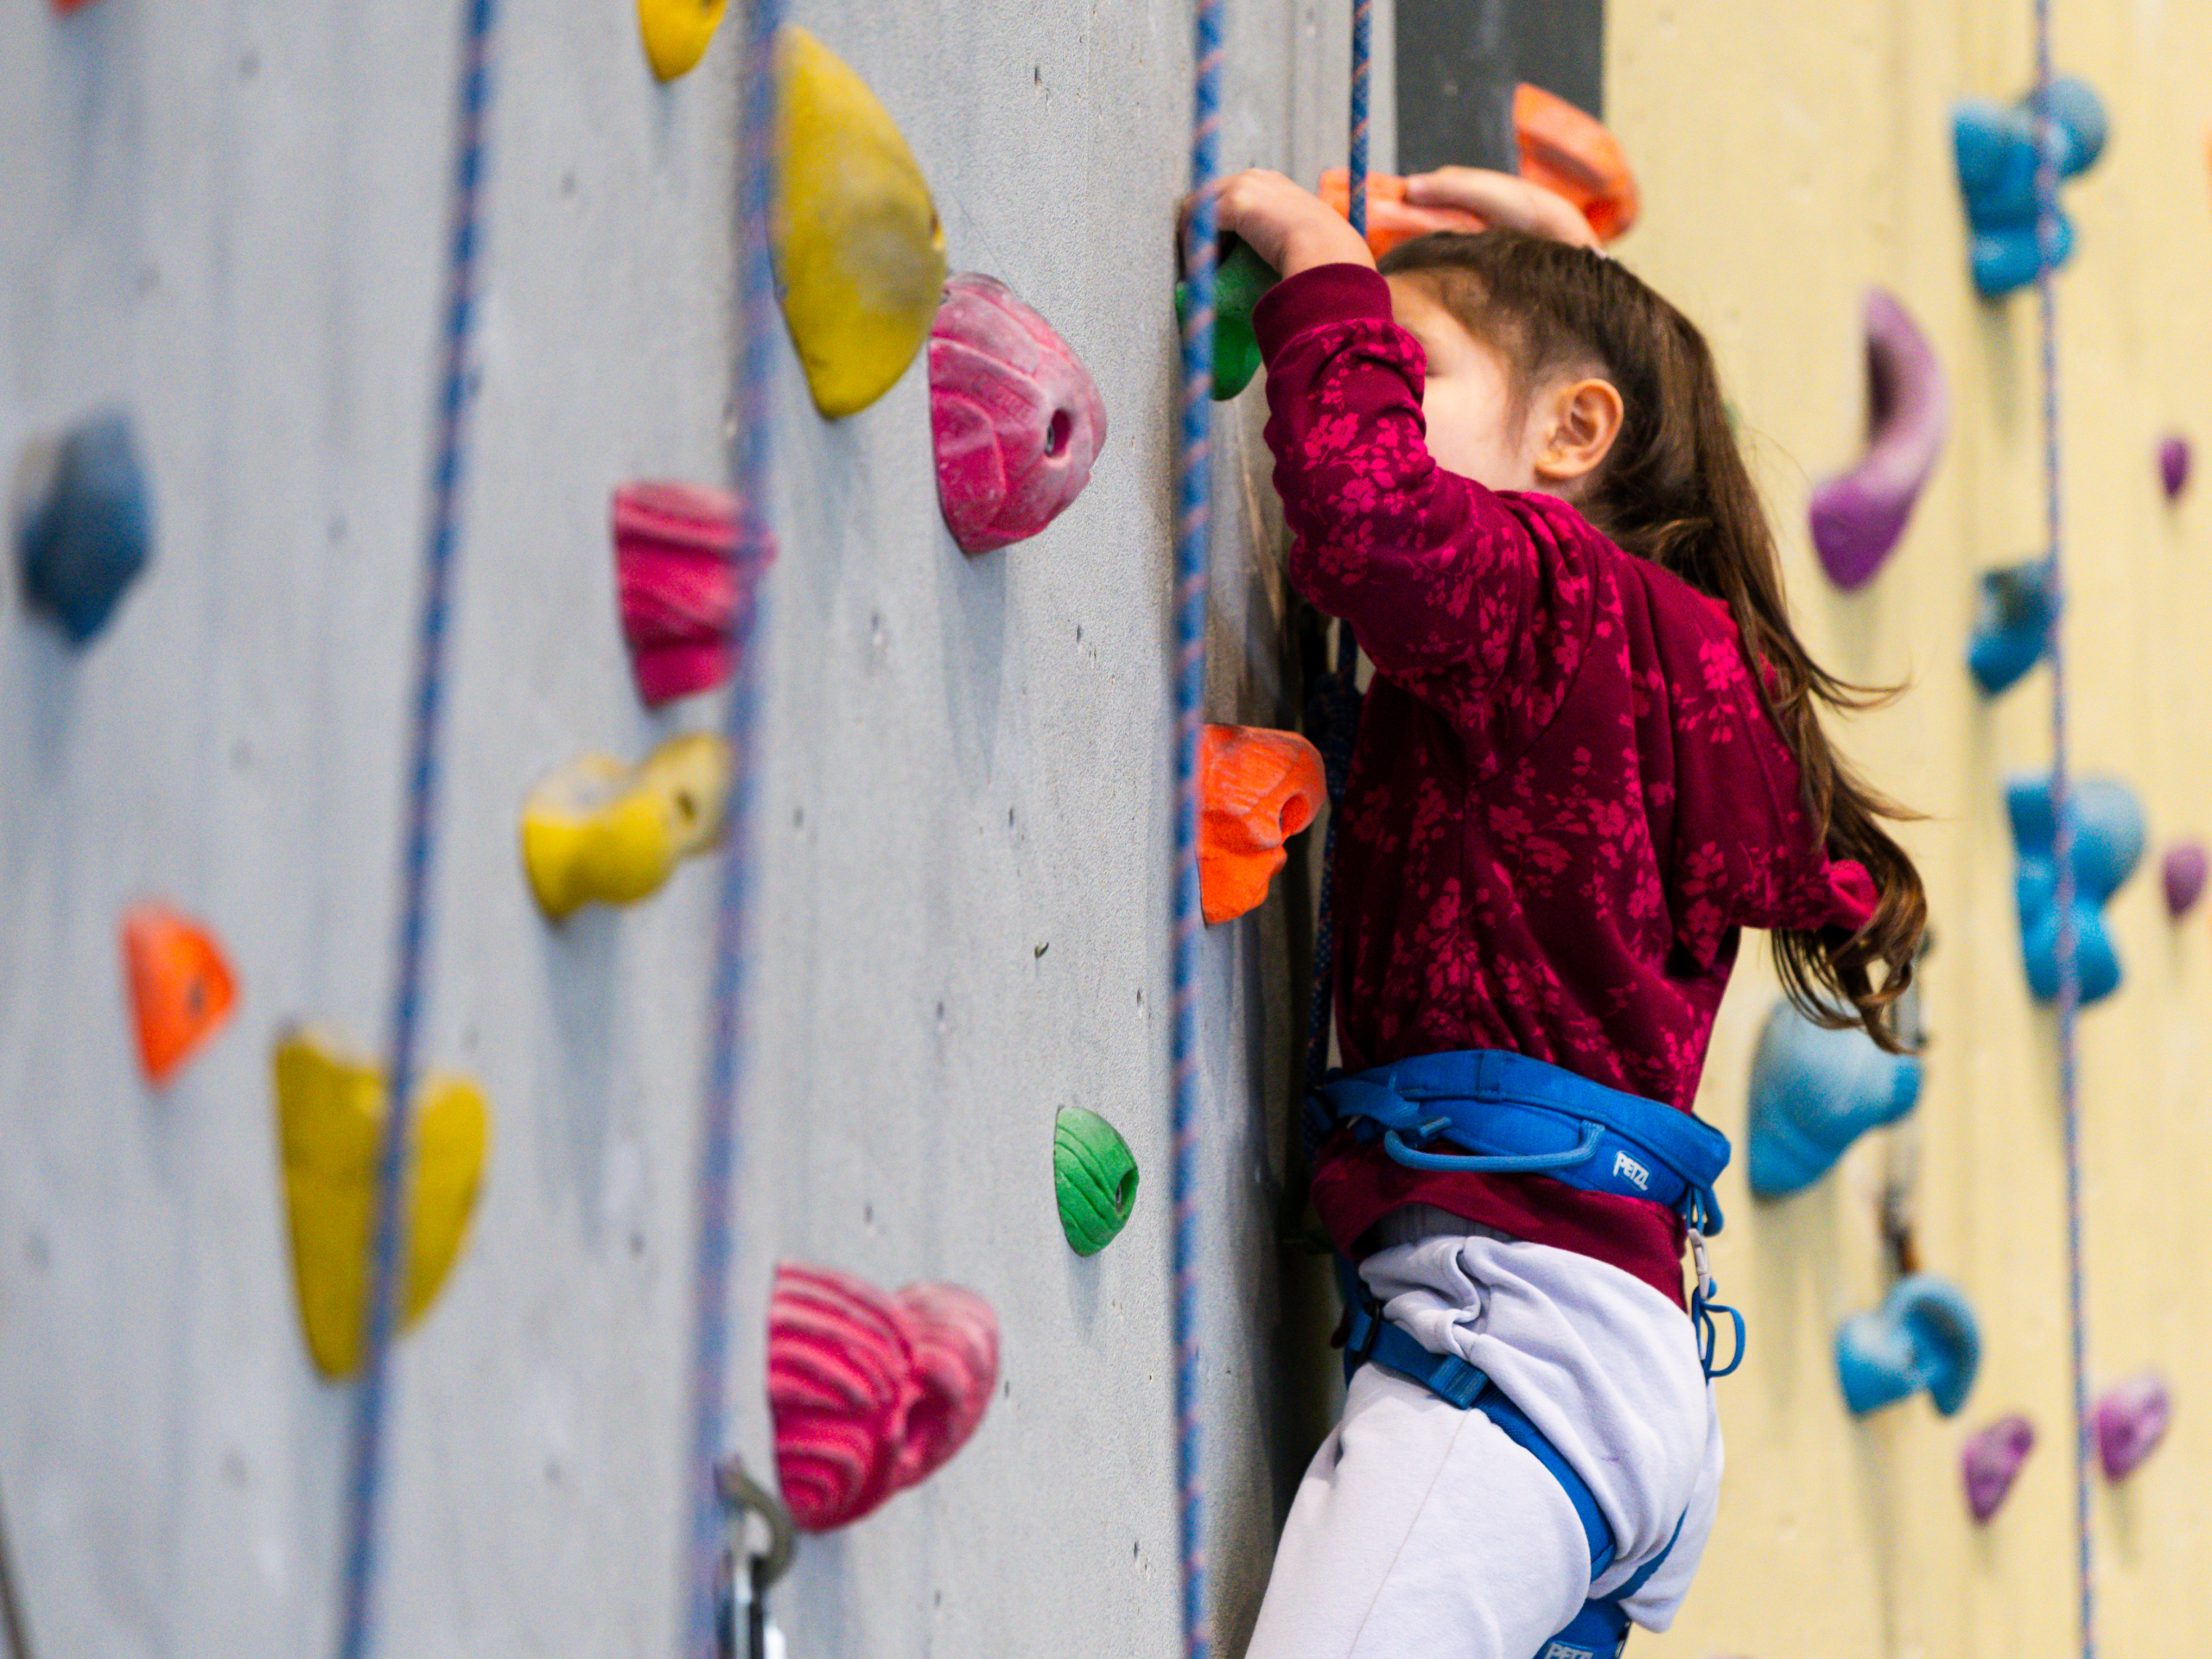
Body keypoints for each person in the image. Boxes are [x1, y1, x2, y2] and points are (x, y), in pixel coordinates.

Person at [1208, 168, 1929, 1659]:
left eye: (1415, 371)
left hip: (1516, 1356)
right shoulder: (1680, 660)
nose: (1383, 388)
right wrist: (1579, 302)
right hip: (1601, 1369)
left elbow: (1373, 522)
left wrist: (1325, 268)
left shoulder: (1555, 598)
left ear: (1577, 437)